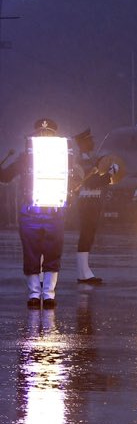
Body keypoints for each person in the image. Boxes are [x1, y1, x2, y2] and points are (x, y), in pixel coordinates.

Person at [0, 118, 70, 308]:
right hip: (30, 213)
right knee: (31, 253)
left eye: (47, 134)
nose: (44, 136)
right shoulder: (25, 158)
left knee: (52, 253)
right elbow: (6, 176)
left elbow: (73, 179)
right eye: (41, 133)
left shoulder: (63, 158)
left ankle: (48, 294)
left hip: (54, 212)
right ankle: (33, 293)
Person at [71, 128, 118, 284]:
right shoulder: (81, 161)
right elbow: (90, 182)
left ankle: (85, 270)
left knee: (89, 235)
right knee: (86, 234)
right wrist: (110, 175)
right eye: (89, 140)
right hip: (87, 201)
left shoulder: (89, 160)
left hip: (93, 200)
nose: (93, 142)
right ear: (83, 143)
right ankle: (83, 272)